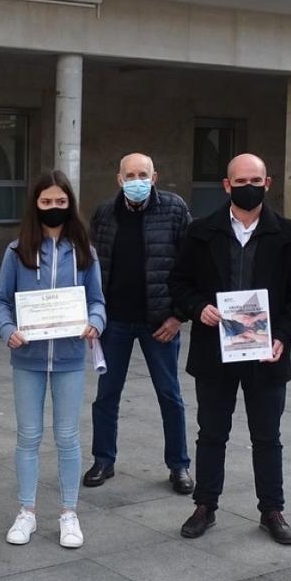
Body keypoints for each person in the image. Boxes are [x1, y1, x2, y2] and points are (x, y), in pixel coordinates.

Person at [168, 153, 291, 545]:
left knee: (267, 435)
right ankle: (205, 505)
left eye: (256, 180)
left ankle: (272, 509)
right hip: (214, 352)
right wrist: (199, 308)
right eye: (240, 180)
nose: (248, 186)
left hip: (266, 353)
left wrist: (283, 334)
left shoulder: (288, 233)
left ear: (267, 184)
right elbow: (179, 284)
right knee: (211, 433)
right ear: (226, 185)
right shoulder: (201, 232)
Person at [0, 170, 105, 549]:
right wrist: (8, 331)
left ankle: (68, 513)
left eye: (60, 201)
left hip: (70, 357)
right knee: (28, 437)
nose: (53, 208)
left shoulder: (85, 250)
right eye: (46, 202)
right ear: (35, 205)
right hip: (28, 358)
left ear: (69, 204)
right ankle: (27, 511)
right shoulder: (16, 250)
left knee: (68, 437)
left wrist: (95, 322)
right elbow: (0, 301)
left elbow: (98, 301)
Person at [84, 153, 194, 494]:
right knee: (106, 395)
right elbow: (91, 267)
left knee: (169, 395)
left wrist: (179, 315)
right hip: (114, 321)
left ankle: (179, 466)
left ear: (154, 176)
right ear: (119, 179)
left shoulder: (175, 210)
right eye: (130, 175)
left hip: (160, 322)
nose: (136, 181)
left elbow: (192, 265)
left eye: (142, 174)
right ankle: (104, 459)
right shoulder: (104, 213)